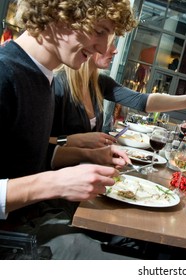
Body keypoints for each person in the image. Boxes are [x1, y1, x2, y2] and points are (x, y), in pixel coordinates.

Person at [0, 0, 145, 259]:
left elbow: (22, 153)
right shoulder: (4, 74)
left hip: (36, 220)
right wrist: (54, 182)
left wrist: (88, 155)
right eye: (100, 31)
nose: (103, 47)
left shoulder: (42, 76)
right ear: (59, 14)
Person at [51, 38, 186, 153]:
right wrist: (75, 141)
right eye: (111, 43)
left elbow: (143, 101)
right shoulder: (57, 84)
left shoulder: (100, 83)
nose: (115, 50)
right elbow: (40, 142)